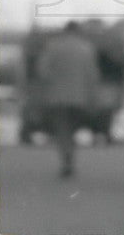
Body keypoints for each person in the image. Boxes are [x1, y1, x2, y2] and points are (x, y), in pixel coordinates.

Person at [37, 20, 101, 178]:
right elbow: (92, 75)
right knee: (72, 130)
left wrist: (44, 92)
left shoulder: (53, 46)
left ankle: (66, 159)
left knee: (62, 129)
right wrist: (93, 97)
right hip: (80, 97)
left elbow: (42, 71)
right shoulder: (86, 48)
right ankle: (69, 156)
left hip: (57, 96)